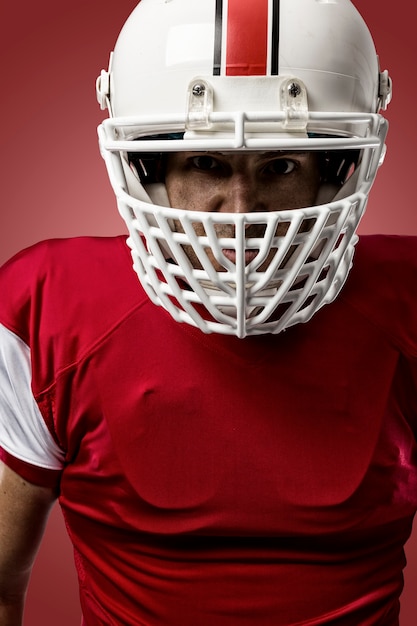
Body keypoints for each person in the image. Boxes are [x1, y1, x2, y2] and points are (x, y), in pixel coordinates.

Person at [0, 0, 416, 624]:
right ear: (151, 168)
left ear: (336, 170)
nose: (241, 210)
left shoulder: (407, 304)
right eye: (205, 163)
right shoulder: (47, 307)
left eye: (280, 166)